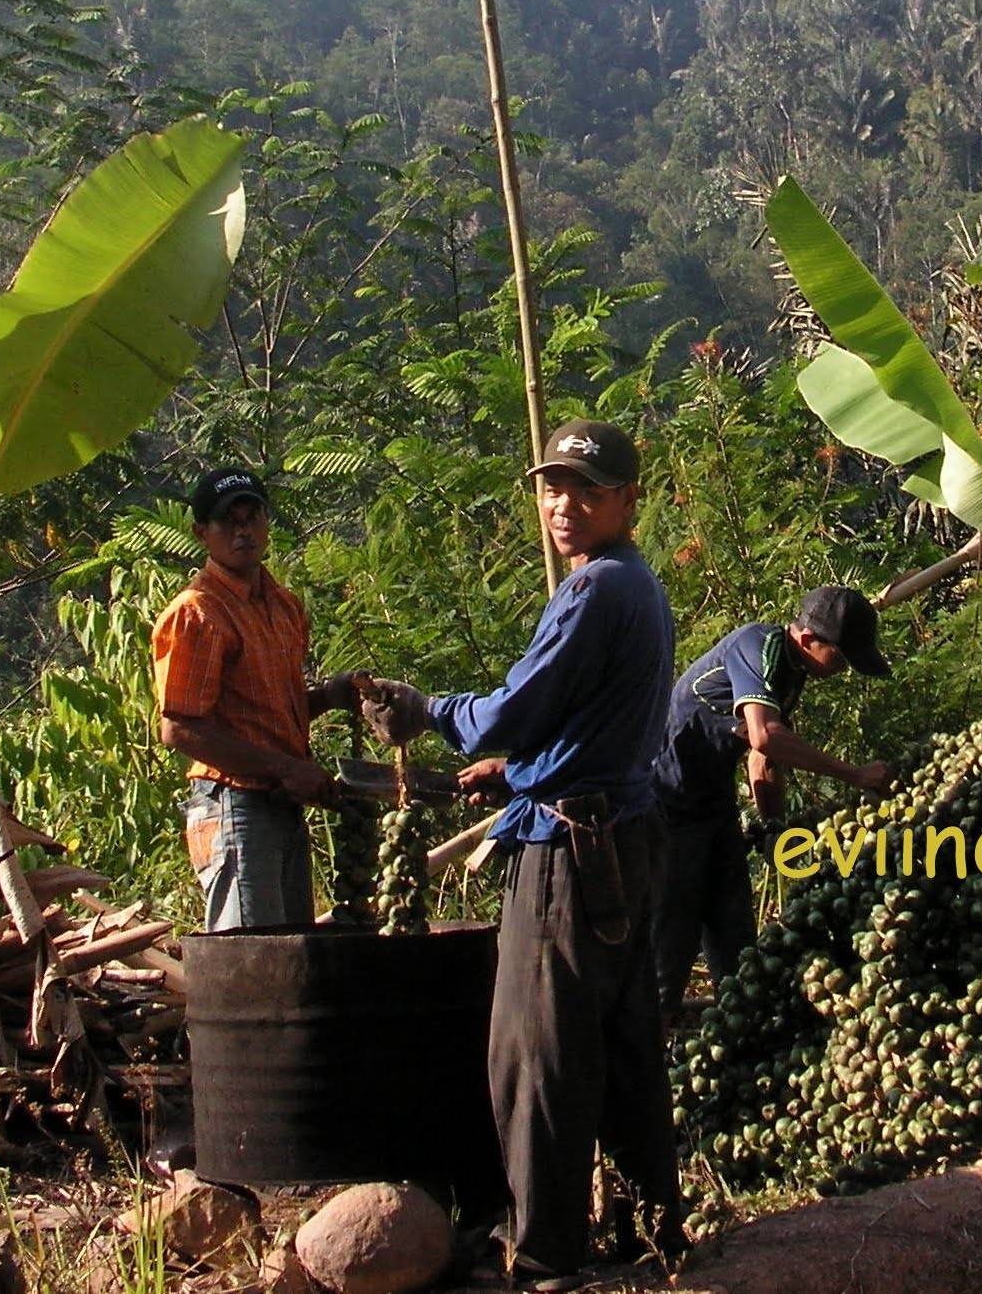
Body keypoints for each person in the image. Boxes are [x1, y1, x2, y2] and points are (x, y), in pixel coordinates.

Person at [358, 419, 683, 1291]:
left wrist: (431, 710)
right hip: (623, 828)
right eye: (551, 487)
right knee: (622, 1041)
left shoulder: (594, 592)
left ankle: (541, 1252)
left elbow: (514, 708)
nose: (563, 505)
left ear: (625, 501)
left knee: (534, 1053)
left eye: (586, 490)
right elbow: (587, 724)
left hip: (572, 849)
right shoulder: (638, 587)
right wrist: (520, 770)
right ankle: (656, 1224)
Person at [650, 586, 896, 1024]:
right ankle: (652, 1049)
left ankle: (738, 1033)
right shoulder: (757, 645)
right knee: (673, 933)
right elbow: (766, 736)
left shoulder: (792, 671)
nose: (841, 671)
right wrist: (854, 775)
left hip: (712, 804)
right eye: (839, 659)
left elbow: (760, 758)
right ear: (806, 640)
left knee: (736, 939)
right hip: (669, 804)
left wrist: (774, 825)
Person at [152, 466, 357, 933]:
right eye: (229, 522)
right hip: (233, 804)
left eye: (252, 517)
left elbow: (266, 712)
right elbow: (180, 728)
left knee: (290, 959)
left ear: (266, 523)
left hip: (281, 802)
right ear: (202, 533)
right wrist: (287, 768)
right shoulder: (197, 613)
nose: (243, 531)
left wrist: (329, 696)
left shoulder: (282, 605)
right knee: (254, 962)